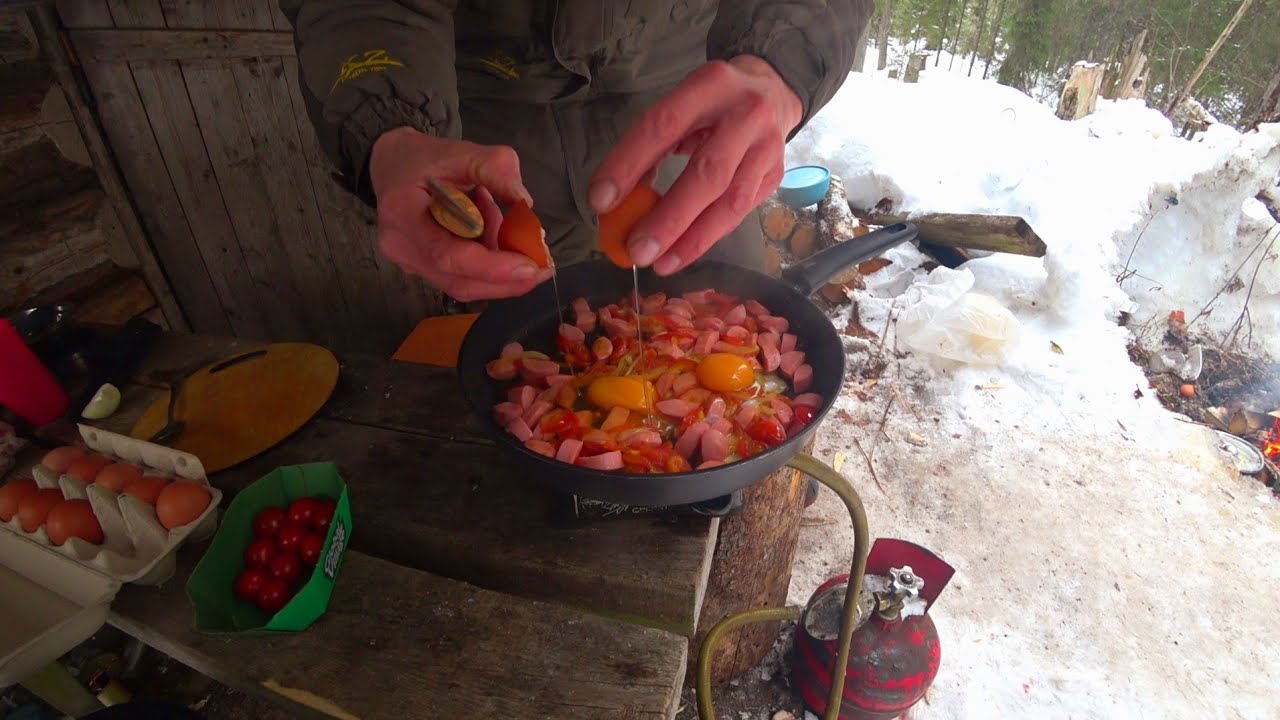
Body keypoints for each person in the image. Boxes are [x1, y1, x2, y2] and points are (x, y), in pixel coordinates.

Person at [280, 1, 874, 302]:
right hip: (479, 121)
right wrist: (389, 121)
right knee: (534, 344)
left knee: (732, 303)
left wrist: (780, 64)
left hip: (697, 100)